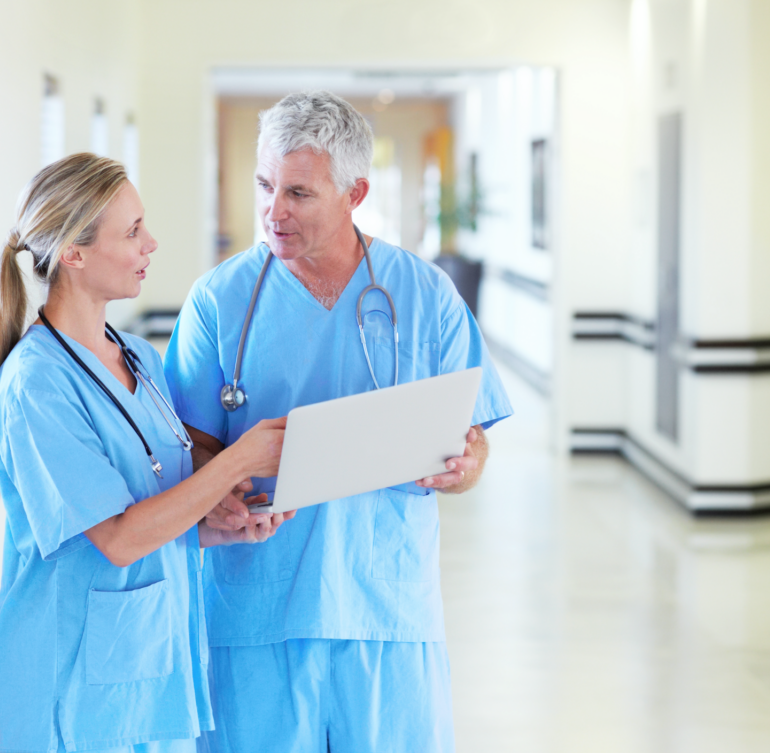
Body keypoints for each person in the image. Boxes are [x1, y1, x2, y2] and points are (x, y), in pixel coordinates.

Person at [164, 92, 513, 752]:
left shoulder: (424, 294)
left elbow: (474, 443)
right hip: (258, 612)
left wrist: (465, 465)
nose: (274, 210)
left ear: (356, 193)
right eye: (265, 184)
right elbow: (192, 448)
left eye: (298, 192)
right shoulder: (218, 301)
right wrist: (224, 486)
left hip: (387, 610)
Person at [0, 153, 293, 753]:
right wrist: (237, 462)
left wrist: (225, 525)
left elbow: (156, 511)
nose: (151, 243)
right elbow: (117, 538)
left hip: (154, 671)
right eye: (132, 231)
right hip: (76, 686)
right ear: (74, 254)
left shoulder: (138, 356)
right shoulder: (36, 384)